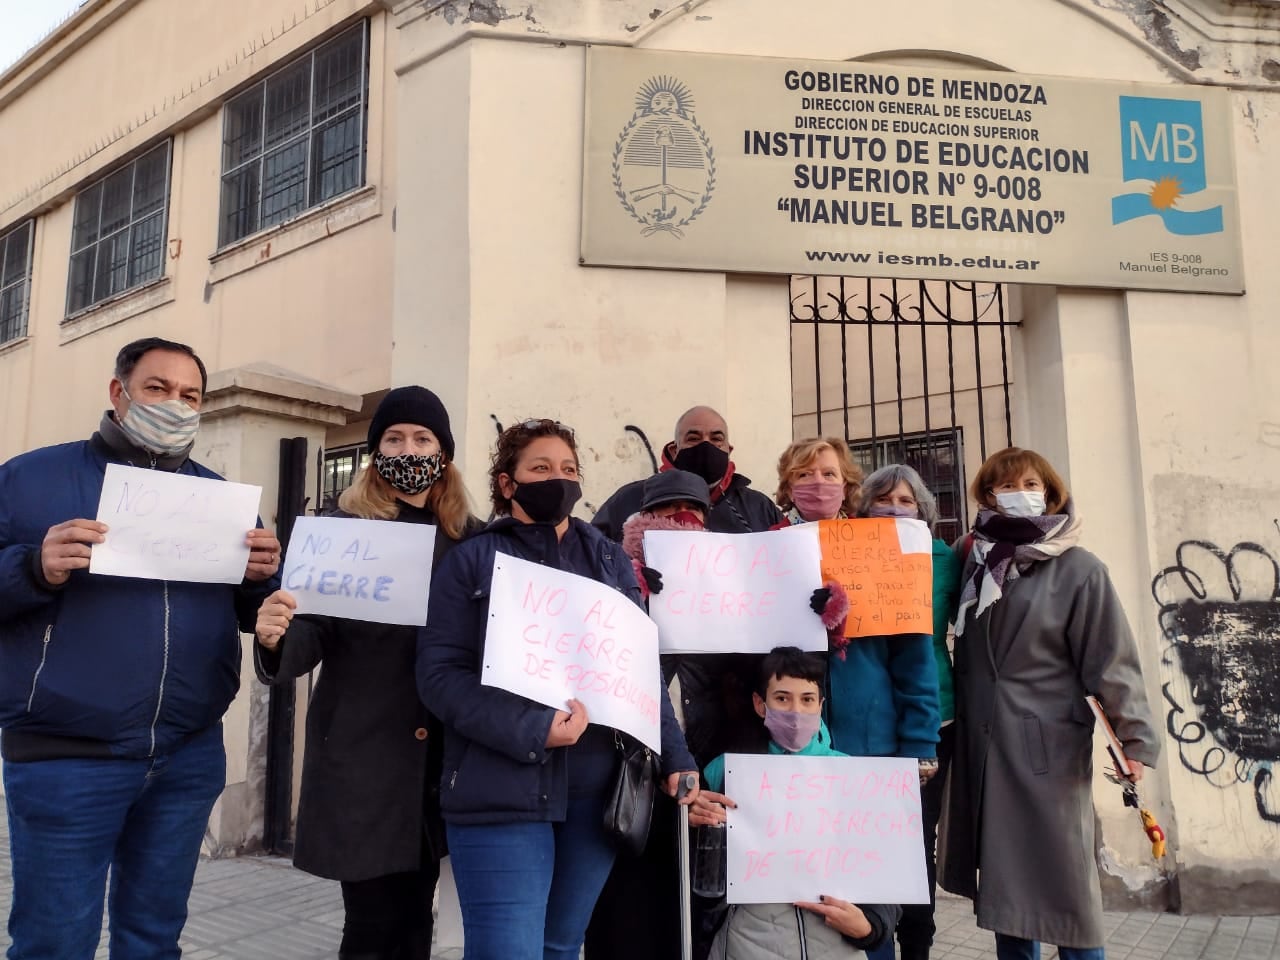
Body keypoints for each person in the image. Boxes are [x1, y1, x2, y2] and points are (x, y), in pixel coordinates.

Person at [0, 336, 281, 959]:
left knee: (154, 938)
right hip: (64, 756)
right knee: (54, 941)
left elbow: (254, 618)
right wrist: (32, 567)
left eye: (190, 396)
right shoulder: (27, 480)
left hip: (185, 758)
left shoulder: (223, 502)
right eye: (158, 389)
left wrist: (263, 580)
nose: (175, 406)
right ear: (117, 393)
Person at [417, 418, 699, 960]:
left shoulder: (610, 560)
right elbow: (439, 675)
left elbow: (638, 670)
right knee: (508, 951)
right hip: (498, 791)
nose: (558, 478)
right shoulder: (471, 560)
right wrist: (531, 729)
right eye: (540, 468)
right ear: (507, 483)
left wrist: (677, 758)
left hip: (595, 799)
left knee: (560, 948)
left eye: (568, 469)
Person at [253, 386, 481, 960]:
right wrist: (276, 634)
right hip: (367, 764)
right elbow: (307, 641)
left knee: (418, 925)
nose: (409, 448)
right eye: (394, 438)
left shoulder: (473, 541)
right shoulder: (340, 533)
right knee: (374, 927)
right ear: (375, 452)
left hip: (446, 766)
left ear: (444, 453)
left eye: (423, 438)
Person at [937, 447, 1160, 960]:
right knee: (1008, 896)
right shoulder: (972, 562)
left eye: (1030, 483)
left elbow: (1113, 659)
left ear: (1050, 492)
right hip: (985, 749)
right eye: (1004, 486)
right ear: (988, 496)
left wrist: (1135, 740)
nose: (1019, 493)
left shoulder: (1078, 568)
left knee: (1067, 897)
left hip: (1048, 750)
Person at [690, 646, 902, 959]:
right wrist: (691, 819)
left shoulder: (854, 778)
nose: (795, 712)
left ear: (821, 705)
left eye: (807, 699)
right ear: (760, 704)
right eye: (782, 698)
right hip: (745, 944)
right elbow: (700, 873)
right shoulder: (724, 772)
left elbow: (881, 870)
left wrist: (872, 927)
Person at [772, 441, 941, 775]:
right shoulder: (766, 546)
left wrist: (921, 743)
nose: (818, 482)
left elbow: (915, 658)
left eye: (829, 473)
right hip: (787, 741)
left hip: (872, 742)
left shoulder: (882, 546)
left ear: (846, 484)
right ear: (788, 487)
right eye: (804, 474)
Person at [855, 464, 962, 960]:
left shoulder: (946, 559)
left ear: (923, 510)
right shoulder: (847, 552)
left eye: (906, 502)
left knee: (916, 841)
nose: (895, 509)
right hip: (867, 723)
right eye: (884, 499)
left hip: (931, 718)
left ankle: (916, 943)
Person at [591, 405, 780, 541]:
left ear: (728, 450)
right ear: (674, 450)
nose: (706, 445)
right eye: (693, 438)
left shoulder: (758, 507)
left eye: (716, 439)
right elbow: (591, 559)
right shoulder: (630, 499)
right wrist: (632, 574)